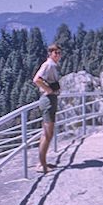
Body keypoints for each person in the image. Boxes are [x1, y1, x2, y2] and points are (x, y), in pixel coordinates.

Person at [33, 43, 62, 173]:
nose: (58, 55)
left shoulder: (53, 65)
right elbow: (36, 79)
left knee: (47, 134)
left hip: (51, 100)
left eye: (59, 53)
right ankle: (41, 165)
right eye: (55, 53)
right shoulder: (48, 65)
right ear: (50, 53)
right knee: (48, 134)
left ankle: (42, 162)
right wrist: (49, 90)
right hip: (48, 100)